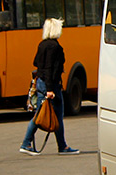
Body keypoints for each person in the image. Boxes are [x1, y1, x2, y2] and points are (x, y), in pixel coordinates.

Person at [19, 18, 79, 156]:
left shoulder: (42, 45)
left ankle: (62, 146)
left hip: (42, 82)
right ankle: (26, 143)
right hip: (50, 85)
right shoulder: (55, 47)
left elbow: (36, 62)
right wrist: (50, 89)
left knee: (49, 114)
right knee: (43, 115)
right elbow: (51, 69)